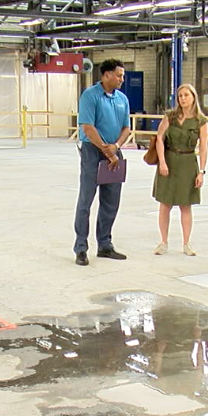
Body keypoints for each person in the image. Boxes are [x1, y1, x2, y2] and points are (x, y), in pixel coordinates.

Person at [73, 59, 131, 266]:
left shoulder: (122, 99)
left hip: (114, 152)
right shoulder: (90, 96)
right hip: (92, 151)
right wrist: (107, 151)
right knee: (86, 200)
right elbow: (88, 127)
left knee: (111, 201)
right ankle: (81, 247)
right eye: (119, 75)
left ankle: (105, 244)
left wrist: (116, 146)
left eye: (122, 76)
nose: (122, 79)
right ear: (106, 75)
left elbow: (126, 128)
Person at [152, 84, 208, 256]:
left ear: (193, 97)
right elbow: (159, 138)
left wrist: (201, 171)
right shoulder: (170, 116)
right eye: (180, 96)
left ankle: (186, 243)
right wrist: (162, 162)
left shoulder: (201, 121)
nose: (183, 99)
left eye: (186, 95)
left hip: (188, 162)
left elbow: (204, 148)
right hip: (169, 160)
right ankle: (163, 242)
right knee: (165, 204)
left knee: (186, 204)